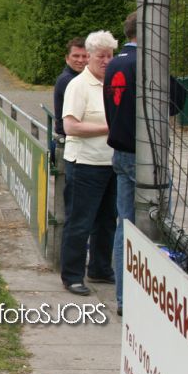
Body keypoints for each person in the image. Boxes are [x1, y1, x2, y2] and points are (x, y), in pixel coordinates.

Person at [103, 11, 187, 316]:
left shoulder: (115, 63)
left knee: (124, 225)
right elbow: (177, 100)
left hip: (120, 153)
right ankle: (149, 298)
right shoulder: (147, 63)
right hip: (145, 156)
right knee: (156, 224)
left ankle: (124, 298)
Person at [60, 30, 118, 296]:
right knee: (80, 221)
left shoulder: (114, 83)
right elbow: (70, 126)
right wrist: (110, 128)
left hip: (112, 163)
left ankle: (100, 268)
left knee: (107, 220)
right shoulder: (78, 86)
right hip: (85, 163)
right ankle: (72, 275)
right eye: (100, 56)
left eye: (110, 56)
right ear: (90, 56)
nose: (106, 61)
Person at [53, 38, 89, 137]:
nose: (80, 60)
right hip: (69, 138)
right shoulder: (68, 81)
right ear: (67, 58)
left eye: (84, 56)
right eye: (76, 56)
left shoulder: (81, 78)